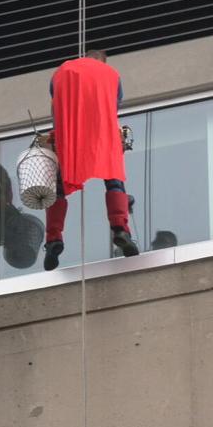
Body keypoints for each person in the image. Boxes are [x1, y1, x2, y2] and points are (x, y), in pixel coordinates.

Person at [42, 50, 139, 271]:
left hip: (71, 134)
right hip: (102, 132)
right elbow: (114, 106)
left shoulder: (61, 71)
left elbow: (55, 104)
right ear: (102, 61)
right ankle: (120, 229)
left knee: (59, 186)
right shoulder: (112, 74)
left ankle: (53, 240)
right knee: (114, 178)